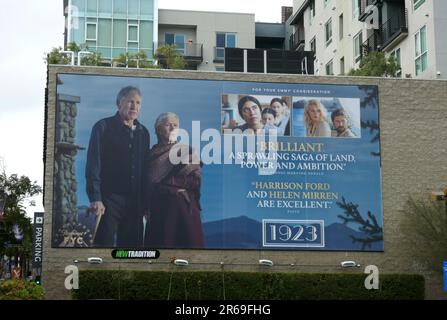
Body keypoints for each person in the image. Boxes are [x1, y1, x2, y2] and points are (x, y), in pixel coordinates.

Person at [85, 86, 150, 247]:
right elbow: (94, 164)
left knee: (131, 251)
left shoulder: (144, 132)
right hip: (108, 201)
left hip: (135, 204)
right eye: (130, 102)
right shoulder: (103, 127)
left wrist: (146, 203)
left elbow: (145, 171)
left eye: (138, 103)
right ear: (119, 103)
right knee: (103, 246)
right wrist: (96, 198)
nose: (134, 106)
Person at [145, 112, 204, 248]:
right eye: (168, 125)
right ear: (158, 129)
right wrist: (170, 186)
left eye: (175, 125)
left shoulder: (186, 151)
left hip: (182, 208)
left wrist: (170, 186)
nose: (172, 128)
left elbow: (194, 181)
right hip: (159, 208)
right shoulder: (149, 155)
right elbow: (146, 183)